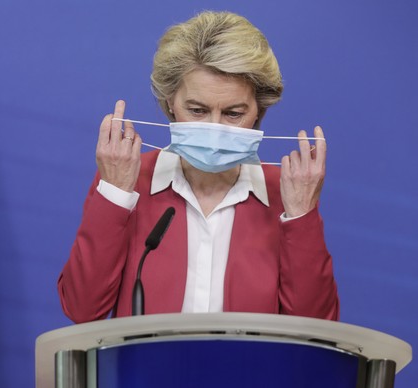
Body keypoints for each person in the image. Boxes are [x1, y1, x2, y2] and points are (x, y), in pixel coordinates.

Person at [57, 11, 339, 324]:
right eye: (198, 110)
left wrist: (301, 216)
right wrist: (114, 195)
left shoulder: (285, 196)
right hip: (148, 372)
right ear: (169, 105)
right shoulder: (128, 181)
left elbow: (316, 330)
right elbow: (82, 311)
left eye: (233, 114)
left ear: (258, 114)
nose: (214, 128)